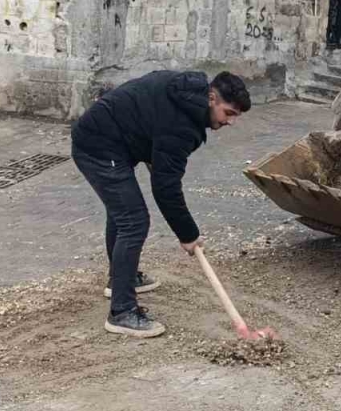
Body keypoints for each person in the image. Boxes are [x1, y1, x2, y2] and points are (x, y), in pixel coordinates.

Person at [71, 70, 251, 338]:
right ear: (211, 97)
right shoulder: (182, 127)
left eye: (236, 115)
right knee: (133, 220)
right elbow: (165, 189)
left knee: (123, 212)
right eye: (229, 113)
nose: (231, 122)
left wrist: (153, 153)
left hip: (111, 138)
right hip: (97, 145)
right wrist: (188, 234)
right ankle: (121, 312)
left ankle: (122, 279)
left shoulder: (187, 90)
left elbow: (151, 114)